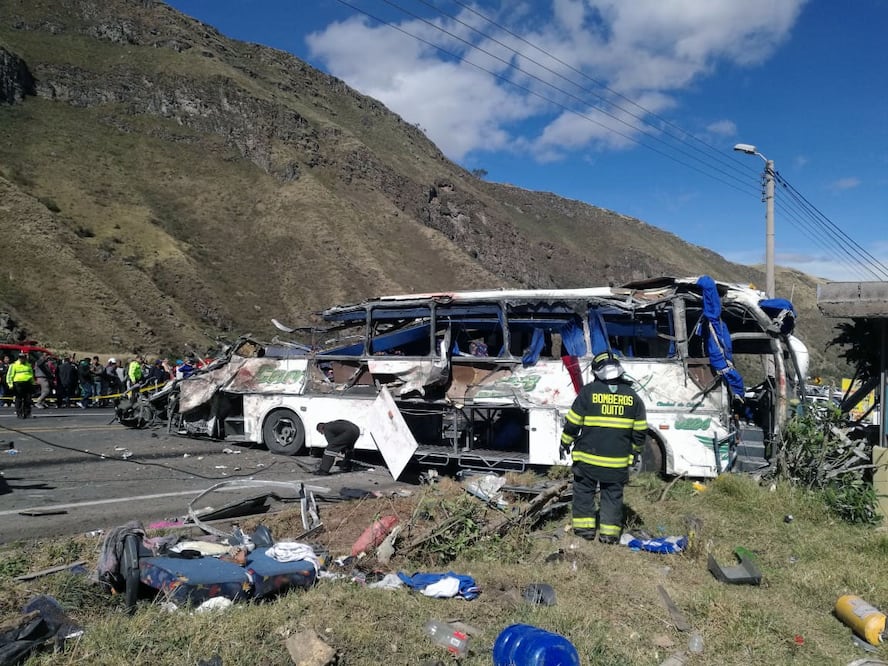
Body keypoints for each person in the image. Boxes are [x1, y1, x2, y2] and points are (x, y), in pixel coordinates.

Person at [560, 351, 647, 544]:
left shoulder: (589, 392)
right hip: (617, 462)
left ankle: (585, 531)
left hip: (588, 459)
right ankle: (609, 534)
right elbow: (640, 430)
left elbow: (573, 423)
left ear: (597, 372)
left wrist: (565, 441)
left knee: (584, 492)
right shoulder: (632, 397)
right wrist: (635, 451)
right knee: (612, 496)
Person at [6, 351, 35, 419]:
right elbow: (9, 375)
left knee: (28, 399)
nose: (22, 359)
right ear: (18, 358)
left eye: (23, 358)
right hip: (18, 384)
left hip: (27, 383)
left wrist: (32, 383)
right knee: (19, 399)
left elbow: (31, 374)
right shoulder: (14, 365)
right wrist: (10, 384)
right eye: (21, 358)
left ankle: (27, 413)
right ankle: (19, 414)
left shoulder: (28, 365)